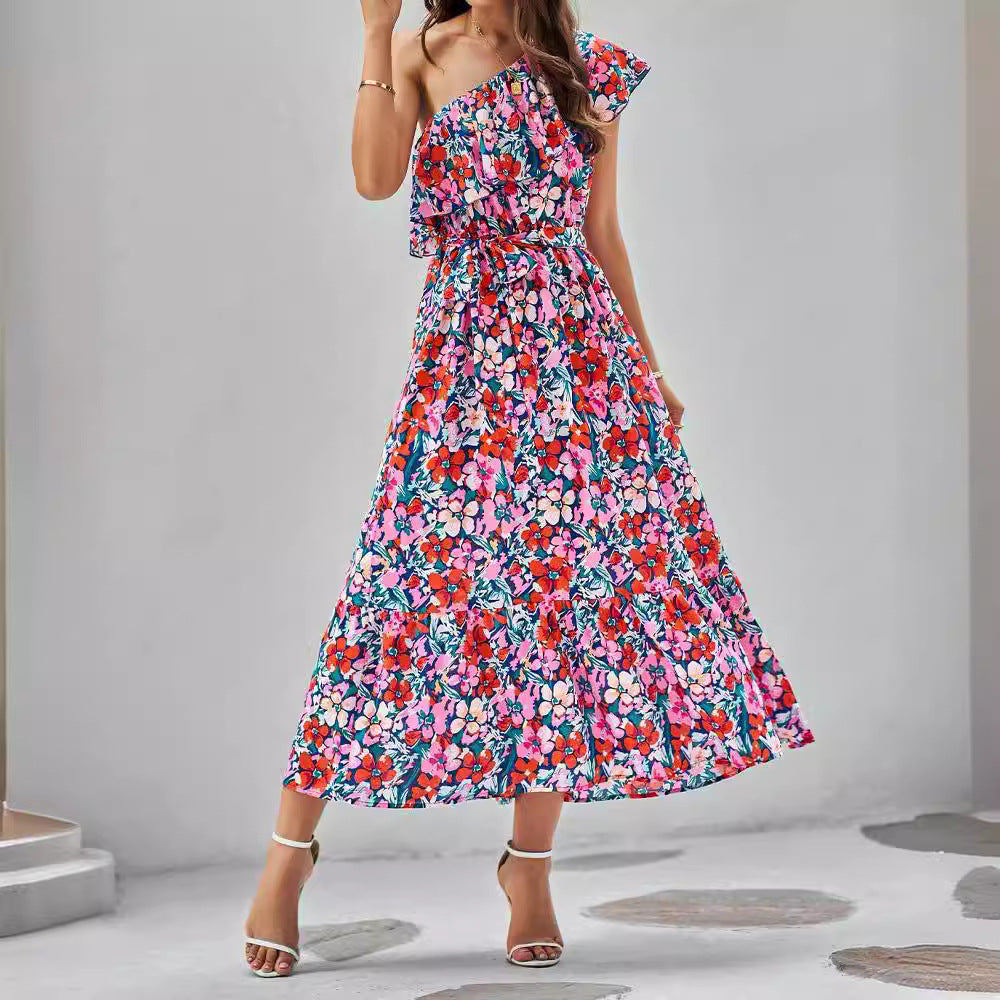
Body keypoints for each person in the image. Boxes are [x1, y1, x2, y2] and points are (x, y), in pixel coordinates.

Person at [244, 0, 815, 979]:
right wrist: (372, 36)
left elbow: (603, 232)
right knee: (395, 599)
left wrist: (649, 366)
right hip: (464, 362)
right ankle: (288, 858)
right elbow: (377, 181)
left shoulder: (589, 70)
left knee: (555, 615)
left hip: (576, 366)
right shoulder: (420, 51)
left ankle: (531, 867)